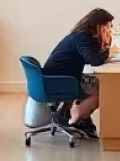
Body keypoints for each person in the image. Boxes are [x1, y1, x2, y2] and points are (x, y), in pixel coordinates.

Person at [42, 8, 114, 138]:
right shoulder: (82, 38)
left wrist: (102, 43)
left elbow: (94, 56)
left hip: (61, 77)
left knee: (97, 85)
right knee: (100, 93)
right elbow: (95, 60)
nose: (109, 30)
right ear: (98, 25)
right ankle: (71, 117)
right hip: (59, 80)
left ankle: (77, 117)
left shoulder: (82, 36)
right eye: (107, 26)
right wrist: (107, 46)